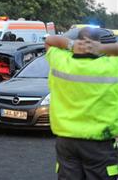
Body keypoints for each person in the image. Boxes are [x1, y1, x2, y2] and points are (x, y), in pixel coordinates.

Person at [45, 27, 118, 180]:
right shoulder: (112, 67)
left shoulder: (61, 62)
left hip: (66, 142)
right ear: (98, 44)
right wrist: (103, 48)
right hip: (100, 143)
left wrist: (71, 45)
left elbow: (49, 41)